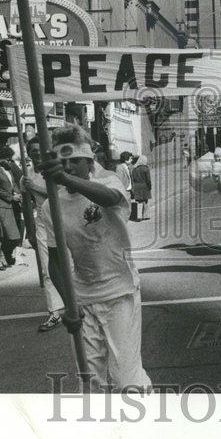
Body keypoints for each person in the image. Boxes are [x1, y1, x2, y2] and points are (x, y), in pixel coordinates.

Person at [38, 125, 151, 390]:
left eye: (75, 161)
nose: (69, 167)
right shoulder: (50, 206)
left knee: (127, 380)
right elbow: (55, 260)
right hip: (83, 298)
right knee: (90, 382)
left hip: (120, 292)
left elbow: (111, 198)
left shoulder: (109, 180)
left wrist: (65, 180)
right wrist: (68, 305)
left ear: (90, 161)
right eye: (62, 162)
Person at [23, 137, 65, 332]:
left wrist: (34, 188)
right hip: (42, 220)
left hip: (63, 217)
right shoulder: (28, 173)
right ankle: (55, 311)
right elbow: (27, 201)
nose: (37, 153)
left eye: (40, 149)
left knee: (72, 264)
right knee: (47, 268)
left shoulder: (57, 168)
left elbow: (59, 194)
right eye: (33, 151)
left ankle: (79, 304)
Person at [0, 146, 23, 270]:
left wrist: (17, 194)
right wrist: (11, 197)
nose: (10, 162)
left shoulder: (8, 170)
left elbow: (13, 185)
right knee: (0, 233)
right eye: (8, 159)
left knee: (9, 234)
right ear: (0, 159)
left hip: (8, 205)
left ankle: (1, 256)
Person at [130, 155, 153, 221]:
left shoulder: (134, 169)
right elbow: (148, 180)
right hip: (144, 186)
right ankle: (144, 215)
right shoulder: (146, 169)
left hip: (137, 186)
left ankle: (138, 215)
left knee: (138, 201)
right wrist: (149, 186)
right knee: (145, 201)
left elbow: (133, 179)